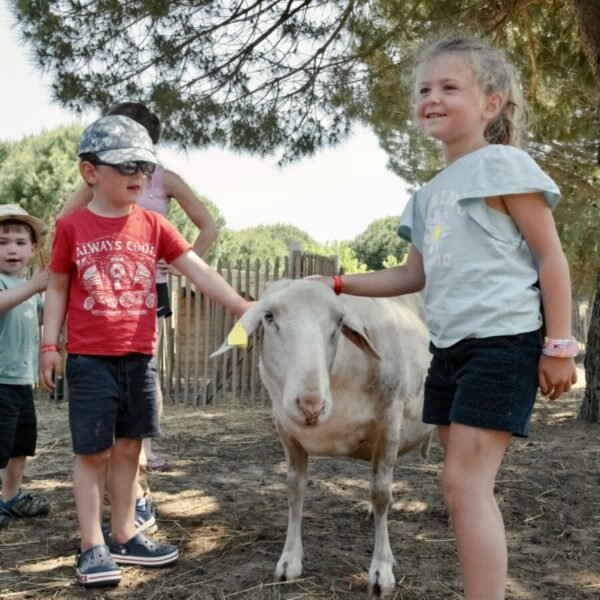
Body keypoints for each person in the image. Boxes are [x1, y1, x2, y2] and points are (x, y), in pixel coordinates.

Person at [313, 36, 578, 600]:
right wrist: (335, 283)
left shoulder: (505, 166)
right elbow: (412, 276)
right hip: (450, 350)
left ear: (491, 103)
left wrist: (559, 344)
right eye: (424, 90)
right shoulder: (426, 194)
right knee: (459, 487)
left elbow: (551, 257)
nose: (431, 98)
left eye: (449, 87)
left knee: (464, 484)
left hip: (504, 343)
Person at [40, 115, 251, 588]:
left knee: (131, 449)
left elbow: (196, 269)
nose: (141, 175)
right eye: (128, 165)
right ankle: (91, 545)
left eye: (146, 166)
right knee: (92, 453)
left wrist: (240, 305)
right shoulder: (71, 226)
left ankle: (124, 534)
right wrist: (49, 345)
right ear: (90, 172)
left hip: (140, 358)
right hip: (92, 359)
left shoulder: (155, 225)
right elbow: (56, 288)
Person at [60, 102, 219, 537]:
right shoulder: (103, 178)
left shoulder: (163, 179)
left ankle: (138, 484)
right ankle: (119, 491)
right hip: (101, 289)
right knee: (115, 378)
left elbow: (207, 226)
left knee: (143, 370)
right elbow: (64, 221)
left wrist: (177, 265)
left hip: (149, 285)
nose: (136, 167)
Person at [0, 204, 50, 530]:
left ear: (33, 250)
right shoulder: (10, 286)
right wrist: (34, 285)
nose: (11, 249)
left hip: (21, 382)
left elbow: (53, 309)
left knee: (19, 446)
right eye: (2, 242)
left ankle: (12, 496)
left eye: (20, 242)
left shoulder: (29, 289)